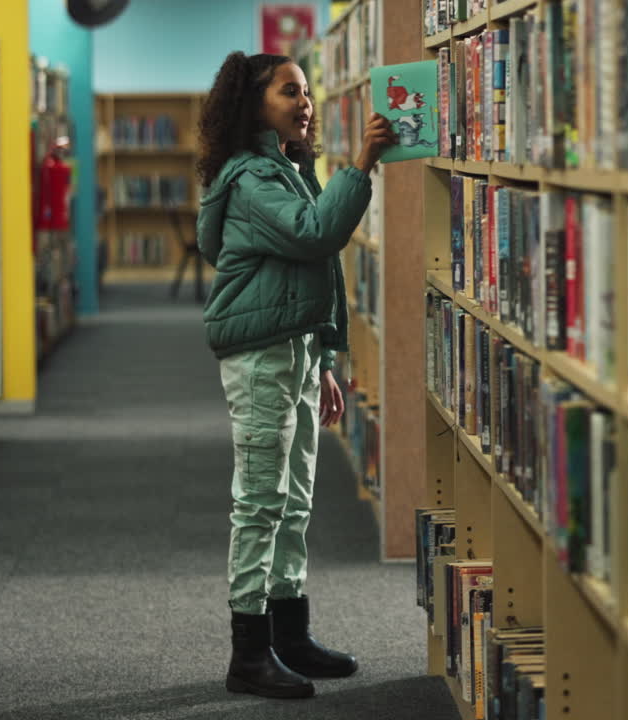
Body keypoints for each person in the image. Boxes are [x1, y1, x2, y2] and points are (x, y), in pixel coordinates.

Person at [194, 51, 396, 700]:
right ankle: (247, 653)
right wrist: (361, 165)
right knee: (259, 503)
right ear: (255, 105)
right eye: (289, 92)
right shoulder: (253, 179)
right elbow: (316, 237)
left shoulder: (288, 167)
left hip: (298, 350)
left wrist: (327, 357)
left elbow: (318, 278)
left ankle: (289, 631)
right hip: (261, 356)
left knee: (296, 501)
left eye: (307, 91)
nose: (304, 102)